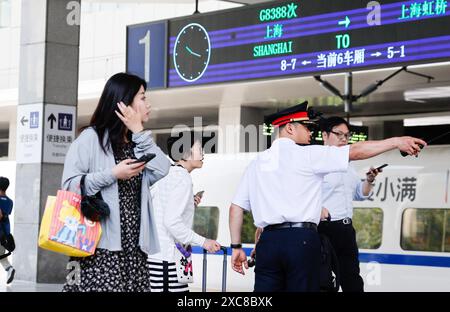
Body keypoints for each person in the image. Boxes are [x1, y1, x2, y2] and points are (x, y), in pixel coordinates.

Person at [229, 102, 426, 292]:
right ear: (290, 128)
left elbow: (236, 208)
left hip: (268, 242)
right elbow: (355, 151)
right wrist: (396, 141)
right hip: (301, 240)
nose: (310, 132)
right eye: (307, 127)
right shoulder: (308, 155)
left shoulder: (257, 163)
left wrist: (236, 247)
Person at [61, 72, 170, 292]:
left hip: (134, 251)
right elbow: (69, 186)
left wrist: (138, 130)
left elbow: (163, 167)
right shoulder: (91, 139)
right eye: (142, 97)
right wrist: (112, 174)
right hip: (98, 249)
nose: (147, 104)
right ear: (123, 103)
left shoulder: (137, 143)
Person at [148, 132, 221, 292]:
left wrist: (189, 205)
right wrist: (204, 242)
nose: (203, 153)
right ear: (186, 154)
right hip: (168, 260)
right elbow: (171, 222)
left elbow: (163, 211)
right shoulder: (182, 178)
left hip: (155, 258)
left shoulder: (166, 175)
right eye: (199, 149)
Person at [319, 116, 381, 292]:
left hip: (346, 230)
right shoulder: (316, 163)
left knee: (352, 280)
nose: (344, 139)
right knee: (324, 282)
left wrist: (369, 180)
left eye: (347, 135)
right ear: (324, 135)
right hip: (324, 230)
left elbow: (360, 195)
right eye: (338, 134)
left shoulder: (349, 165)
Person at [0, 177, 15, 285]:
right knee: (1, 254)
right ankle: (9, 269)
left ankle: (9, 269)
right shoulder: (10, 202)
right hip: (4, 233)